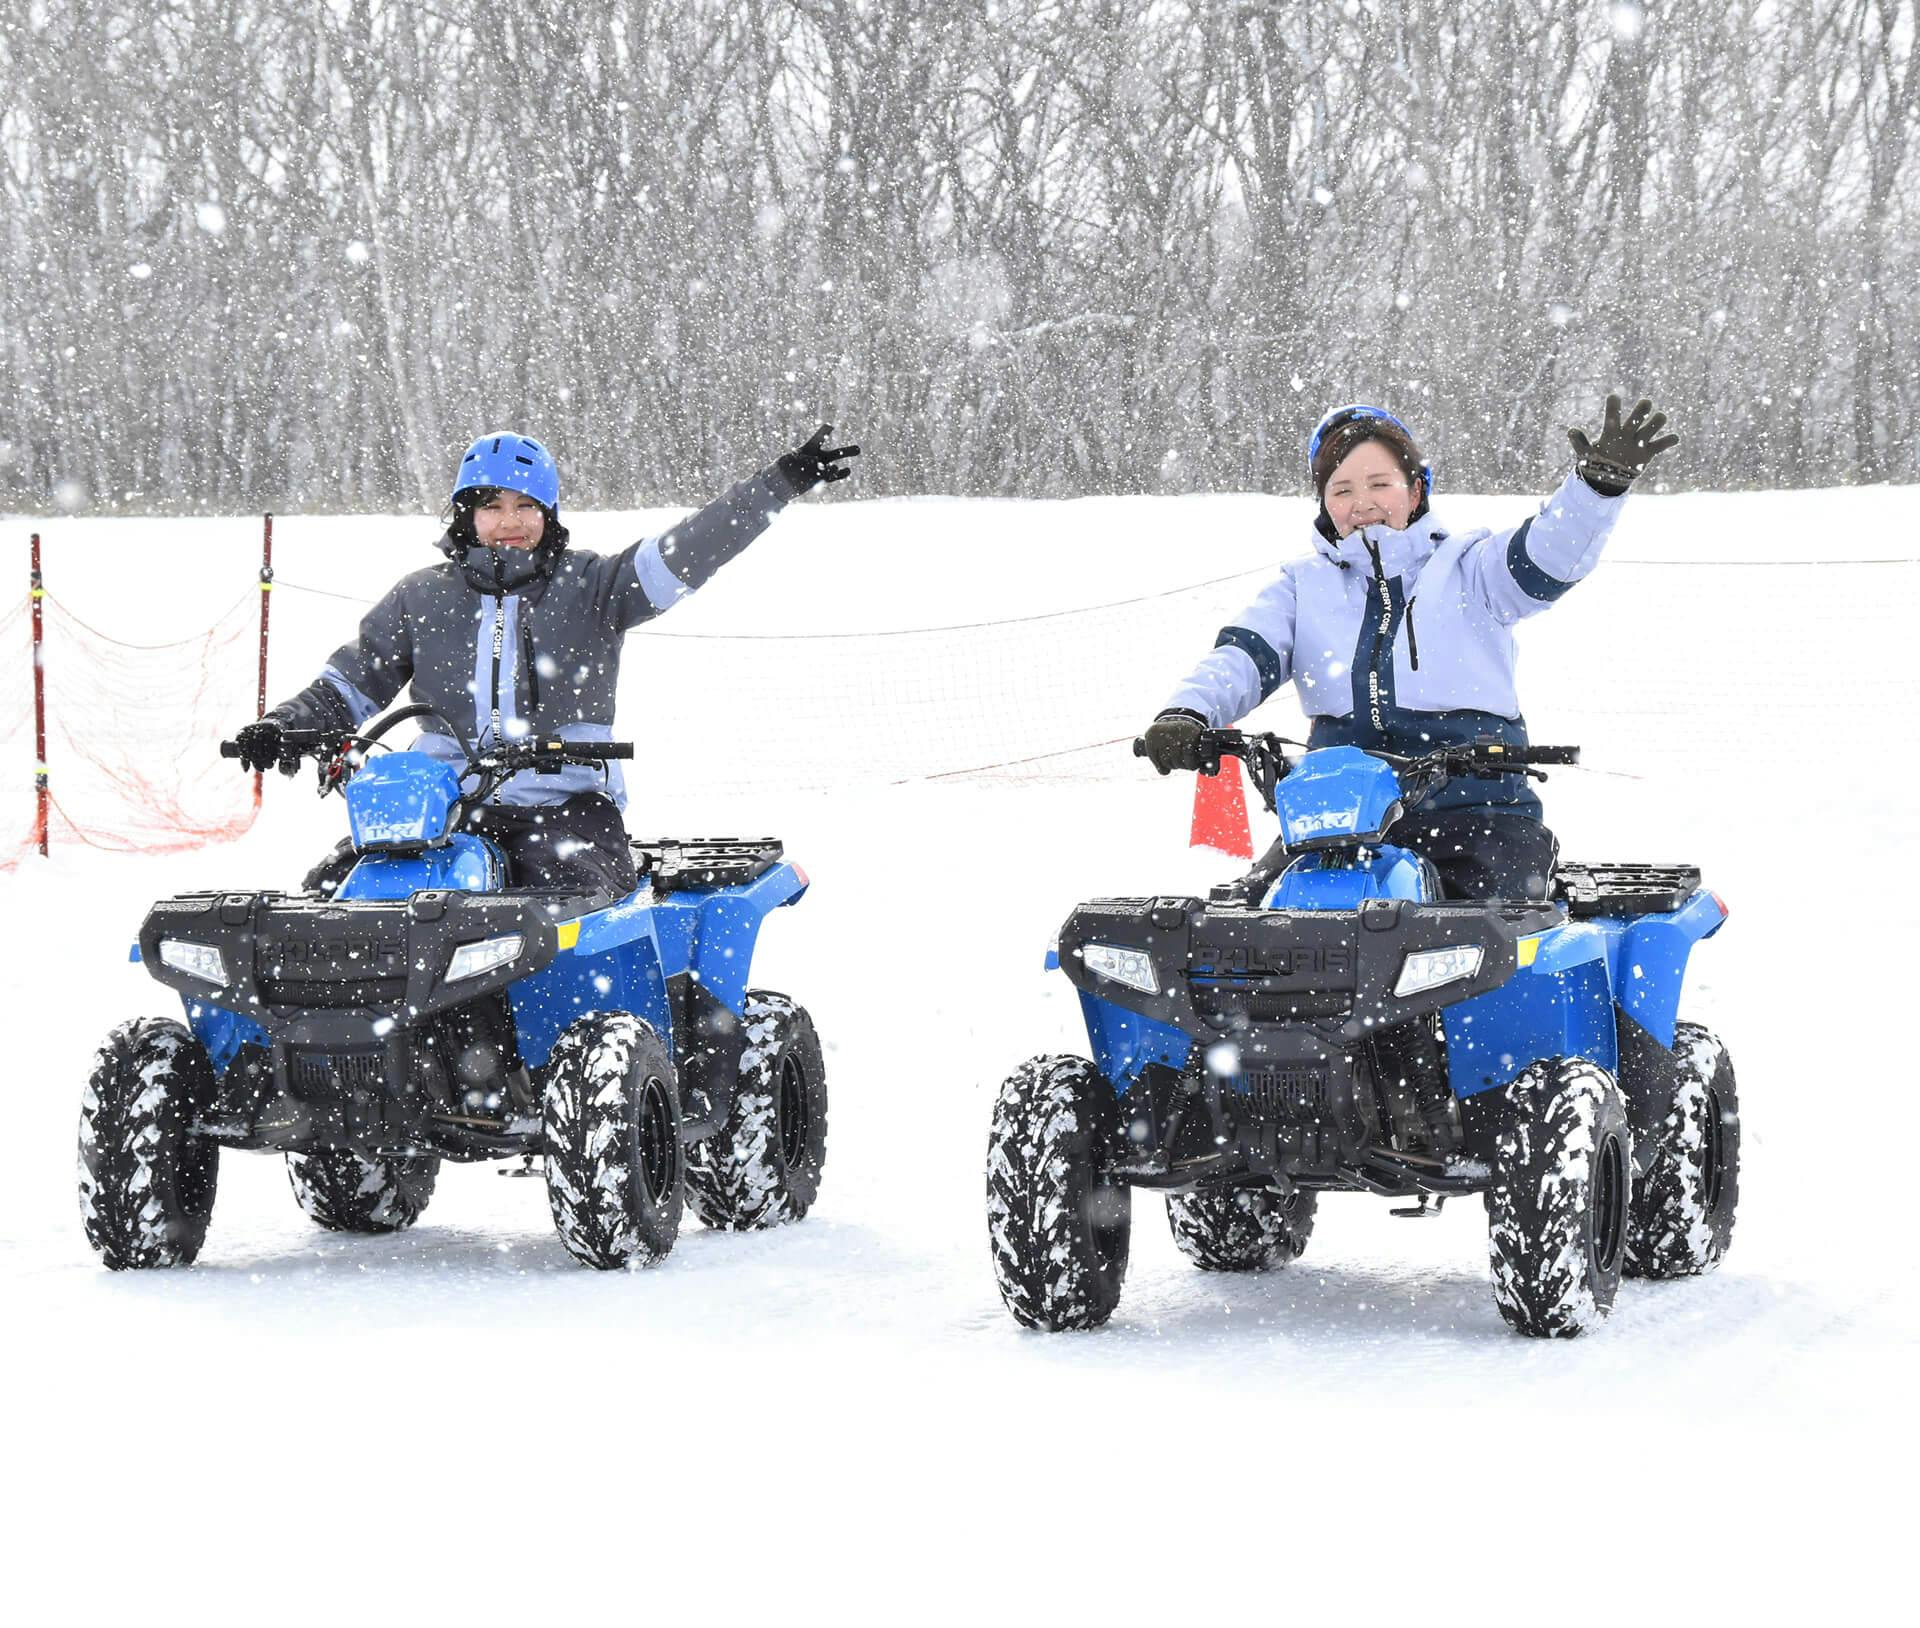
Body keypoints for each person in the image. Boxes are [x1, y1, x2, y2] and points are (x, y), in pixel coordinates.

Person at [234, 425, 860, 896]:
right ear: (466, 515)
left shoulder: (595, 586)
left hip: (567, 809)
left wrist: (780, 483)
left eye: (525, 506)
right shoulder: (420, 597)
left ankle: (541, 1055)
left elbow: (689, 549)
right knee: (334, 895)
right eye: (492, 506)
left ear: (548, 513)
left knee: (557, 906)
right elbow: (349, 684)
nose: (509, 523)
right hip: (441, 809)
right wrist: (286, 725)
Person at [1139, 396, 1678, 900]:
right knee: (1251, 929)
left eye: (1380, 483)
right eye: (1342, 489)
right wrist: (1188, 713)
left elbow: (1545, 558)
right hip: (1339, 824)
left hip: (1480, 812)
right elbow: (1243, 655)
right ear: (1325, 503)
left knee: (1500, 944)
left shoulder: (1472, 568)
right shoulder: (1301, 588)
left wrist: (1594, 491)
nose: (1362, 503)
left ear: (1415, 490)